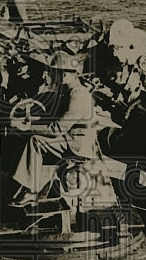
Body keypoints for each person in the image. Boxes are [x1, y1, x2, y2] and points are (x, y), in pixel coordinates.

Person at [9, 51, 96, 206]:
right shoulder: (68, 91)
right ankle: (25, 184)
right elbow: (54, 116)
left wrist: (29, 127)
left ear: (64, 75)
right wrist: (31, 120)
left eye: (54, 73)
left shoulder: (78, 95)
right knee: (27, 139)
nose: (52, 77)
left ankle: (31, 191)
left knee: (36, 142)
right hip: (71, 137)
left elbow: (57, 129)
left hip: (77, 143)